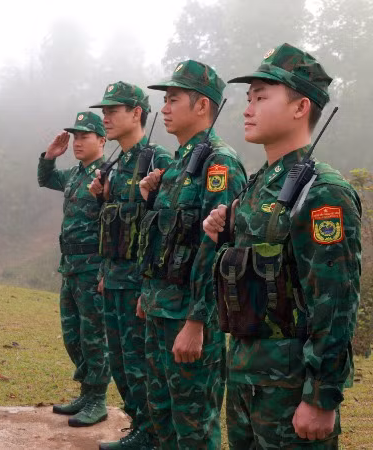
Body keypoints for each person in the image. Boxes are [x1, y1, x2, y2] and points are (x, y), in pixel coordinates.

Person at [203, 42, 361, 448]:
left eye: (261, 96)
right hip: (244, 377)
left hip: (289, 390)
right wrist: (221, 231)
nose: (247, 108)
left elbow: (335, 300)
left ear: (299, 107)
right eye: (248, 98)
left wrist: (321, 397)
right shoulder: (263, 183)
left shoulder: (323, 191)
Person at [136, 60, 247, 449]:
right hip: (160, 310)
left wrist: (198, 321)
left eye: (173, 99)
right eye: (164, 100)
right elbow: (166, 238)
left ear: (202, 106)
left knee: (194, 425)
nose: (164, 108)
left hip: (189, 318)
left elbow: (219, 250)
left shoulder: (221, 164)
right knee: (163, 415)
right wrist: (146, 295)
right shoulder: (178, 163)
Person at [86, 81, 172, 450]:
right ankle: (140, 426)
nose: (105, 118)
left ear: (137, 113)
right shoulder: (115, 163)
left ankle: (152, 434)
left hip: (140, 283)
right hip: (115, 278)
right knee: (120, 363)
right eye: (103, 112)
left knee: (142, 365)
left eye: (113, 111)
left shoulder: (157, 160)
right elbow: (112, 224)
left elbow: (165, 226)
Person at [38, 111, 112, 427]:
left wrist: (107, 271)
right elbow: (46, 179)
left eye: (85, 136)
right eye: (76, 137)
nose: (78, 142)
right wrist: (49, 157)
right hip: (70, 268)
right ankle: (86, 391)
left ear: (102, 140)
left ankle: (98, 399)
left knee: (95, 336)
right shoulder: (76, 175)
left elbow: (117, 225)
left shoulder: (108, 176)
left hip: (93, 269)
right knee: (73, 335)